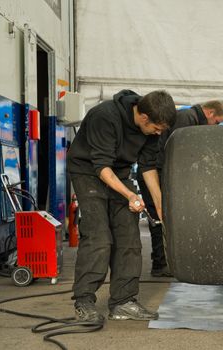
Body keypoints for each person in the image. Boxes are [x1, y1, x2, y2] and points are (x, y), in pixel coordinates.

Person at [67, 89, 177, 323]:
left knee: (129, 237)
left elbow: (147, 167)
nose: (159, 134)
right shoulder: (104, 116)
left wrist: (160, 205)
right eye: (157, 129)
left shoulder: (151, 128)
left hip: (118, 172)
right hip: (88, 172)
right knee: (98, 236)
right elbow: (101, 168)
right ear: (144, 118)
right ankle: (84, 301)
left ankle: (123, 302)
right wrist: (130, 195)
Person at [137, 101, 223, 277]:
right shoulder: (187, 119)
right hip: (156, 171)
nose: (215, 127)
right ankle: (161, 264)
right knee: (160, 216)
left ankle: (166, 261)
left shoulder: (188, 118)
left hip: (159, 170)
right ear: (209, 113)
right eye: (216, 122)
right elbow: (179, 151)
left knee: (165, 216)